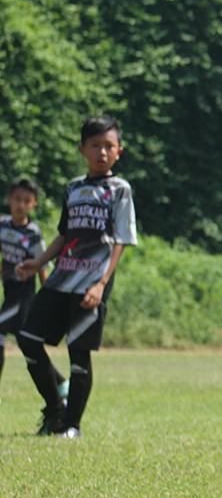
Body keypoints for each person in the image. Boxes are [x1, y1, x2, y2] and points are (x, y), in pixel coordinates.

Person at [16, 115, 137, 438]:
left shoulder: (119, 190)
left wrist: (101, 284)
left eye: (108, 146)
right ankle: (55, 409)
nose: (102, 152)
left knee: (78, 353)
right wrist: (36, 262)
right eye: (95, 146)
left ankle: (71, 426)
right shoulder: (73, 188)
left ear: (118, 151)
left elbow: (122, 240)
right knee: (28, 339)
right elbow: (63, 236)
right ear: (81, 149)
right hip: (61, 277)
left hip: (92, 281)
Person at [0, 179, 68, 400]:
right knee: (26, 343)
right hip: (9, 290)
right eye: (17, 199)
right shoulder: (3, 225)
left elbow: (41, 265)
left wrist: (46, 294)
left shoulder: (33, 232)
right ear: (8, 200)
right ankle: (60, 383)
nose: (20, 205)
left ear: (34, 205)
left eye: (26, 201)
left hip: (25, 293)